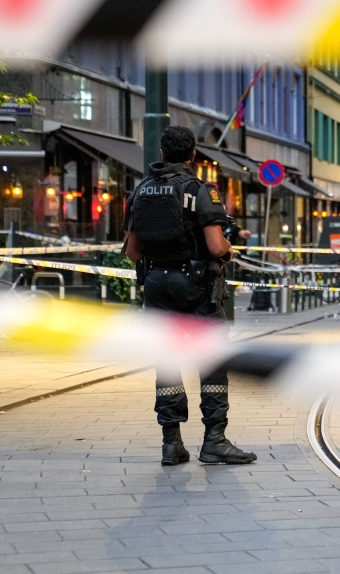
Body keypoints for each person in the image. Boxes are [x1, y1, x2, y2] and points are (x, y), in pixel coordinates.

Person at [124, 126, 257, 467]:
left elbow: (132, 251)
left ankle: (172, 444)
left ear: (161, 152)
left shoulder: (139, 192)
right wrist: (227, 251)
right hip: (197, 288)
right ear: (193, 155)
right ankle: (214, 440)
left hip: (156, 285)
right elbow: (215, 245)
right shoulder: (200, 191)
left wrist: (161, 264)